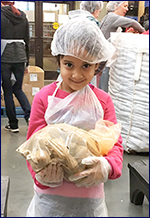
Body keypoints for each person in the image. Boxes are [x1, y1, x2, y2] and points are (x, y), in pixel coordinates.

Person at [25, 17, 123, 217]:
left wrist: (106, 167)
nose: (77, 74)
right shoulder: (45, 98)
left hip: (90, 200)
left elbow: (114, 145)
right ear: (59, 60)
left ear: (97, 65)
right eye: (69, 64)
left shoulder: (102, 101)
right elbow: (32, 145)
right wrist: (40, 176)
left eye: (86, 65)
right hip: (50, 200)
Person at [99, 1, 145, 92]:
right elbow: (133, 22)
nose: (127, 9)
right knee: (103, 88)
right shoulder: (113, 17)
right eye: (125, 6)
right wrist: (144, 33)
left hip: (105, 59)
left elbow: (113, 38)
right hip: (105, 61)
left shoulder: (108, 17)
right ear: (116, 6)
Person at [1, 1, 31, 133]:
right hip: (20, 56)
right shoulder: (22, 15)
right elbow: (27, 39)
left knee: (7, 91)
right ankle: (30, 116)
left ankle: (13, 124)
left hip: (4, 56)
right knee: (18, 89)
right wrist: (27, 62)